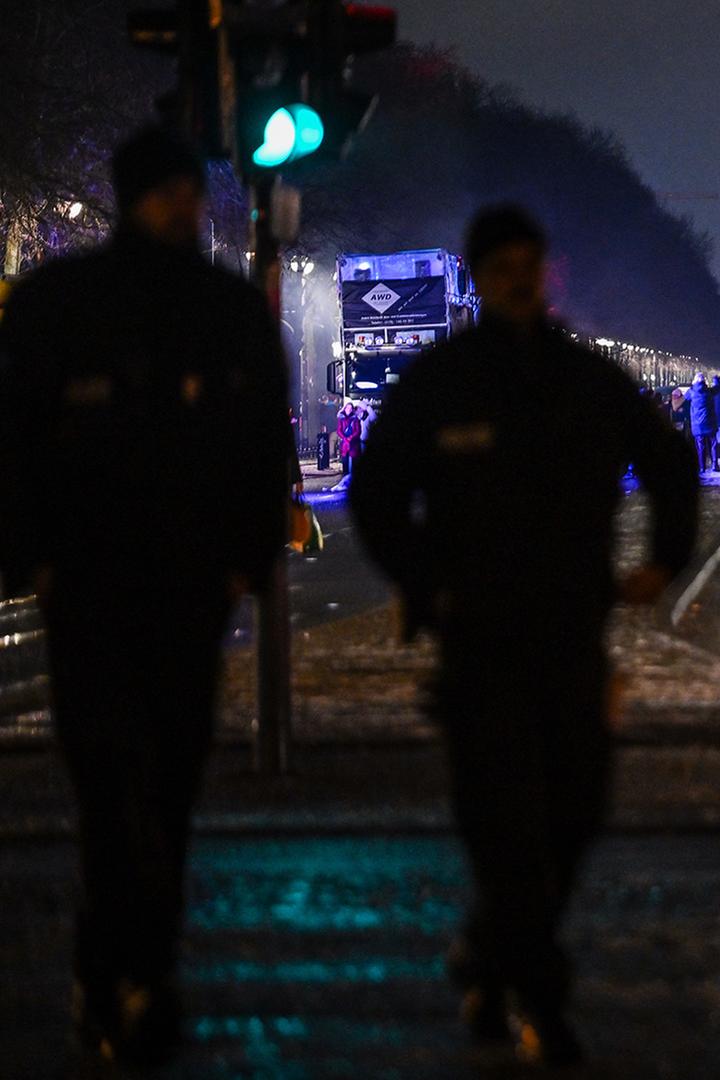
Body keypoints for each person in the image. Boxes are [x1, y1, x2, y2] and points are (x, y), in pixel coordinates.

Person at [350, 205, 698, 1065]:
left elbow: (667, 463)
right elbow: (376, 493)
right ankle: (541, 997)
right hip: (479, 639)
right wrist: (425, 583)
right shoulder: (439, 380)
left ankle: (488, 948)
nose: (515, 277)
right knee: (504, 823)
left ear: (547, 273)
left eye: (527, 263)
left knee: (577, 813)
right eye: (500, 264)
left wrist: (666, 558)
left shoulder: (585, 378)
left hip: (571, 631)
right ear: (477, 276)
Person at [0, 127, 290, 1066]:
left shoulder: (65, 306)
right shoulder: (210, 311)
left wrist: (246, 554)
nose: (184, 207)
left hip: (157, 580)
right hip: (107, 579)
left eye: (187, 191)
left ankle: (125, 962)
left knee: (158, 779)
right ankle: (136, 968)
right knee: (117, 776)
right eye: (170, 192)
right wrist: (32, 555)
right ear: (139, 198)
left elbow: (262, 449)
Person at [687, 372, 719, 473]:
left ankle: (702, 467)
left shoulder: (691, 391)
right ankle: (714, 464)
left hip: (697, 424)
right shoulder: (709, 391)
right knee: (713, 443)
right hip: (709, 422)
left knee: (700, 446)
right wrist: (715, 379)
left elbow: (686, 398)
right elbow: (718, 388)